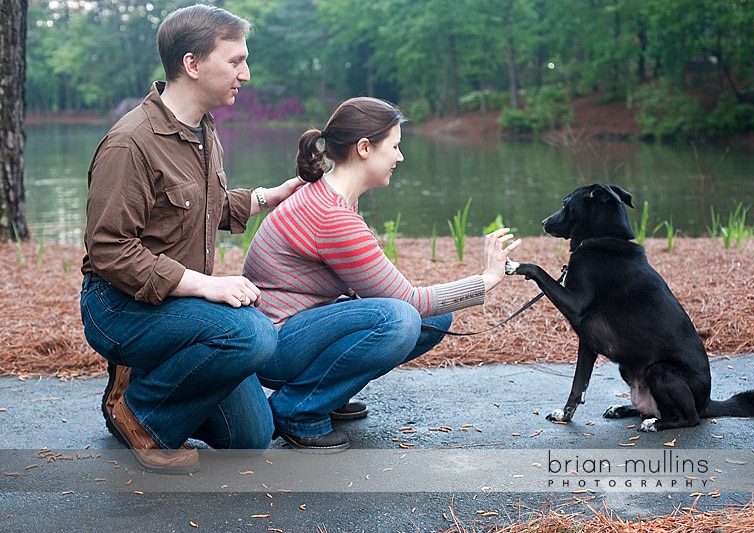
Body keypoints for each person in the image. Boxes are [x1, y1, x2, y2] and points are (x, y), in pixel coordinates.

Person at [79, 4, 303, 474]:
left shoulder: (202, 129)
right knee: (254, 333)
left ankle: (149, 380)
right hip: (119, 307)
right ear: (193, 64)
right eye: (236, 61)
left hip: (175, 307)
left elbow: (203, 206)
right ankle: (138, 414)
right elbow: (109, 250)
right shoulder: (130, 143)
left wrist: (269, 196)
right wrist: (205, 285)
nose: (247, 73)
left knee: (251, 438)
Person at [242, 97, 521, 453]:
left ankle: (325, 395)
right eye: (394, 146)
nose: (400, 157)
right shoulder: (332, 216)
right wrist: (487, 279)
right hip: (277, 344)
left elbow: (376, 288)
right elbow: (406, 302)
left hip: (298, 329)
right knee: (401, 319)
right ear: (364, 149)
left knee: (431, 319)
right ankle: (297, 410)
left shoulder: (335, 197)